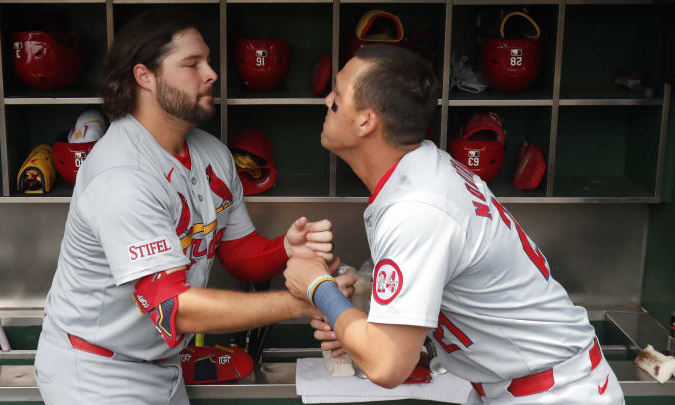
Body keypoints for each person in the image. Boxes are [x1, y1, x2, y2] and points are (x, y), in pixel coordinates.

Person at [34, 8, 352, 405]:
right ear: (144, 76)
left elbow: (238, 253)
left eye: (209, 61)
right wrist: (300, 300)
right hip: (96, 373)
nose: (212, 73)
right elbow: (174, 308)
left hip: (162, 363)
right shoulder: (122, 175)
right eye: (192, 64)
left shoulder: (211, 154)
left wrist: (286, 249)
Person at [283, 45, 625, 405]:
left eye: (337, 96)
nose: (326, 101)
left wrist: (317, 285)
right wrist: (356, 324)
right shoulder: (423, 169)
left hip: (556, 394)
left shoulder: (415, 206)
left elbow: (387, 365)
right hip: (529, 385)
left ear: (366, 121)